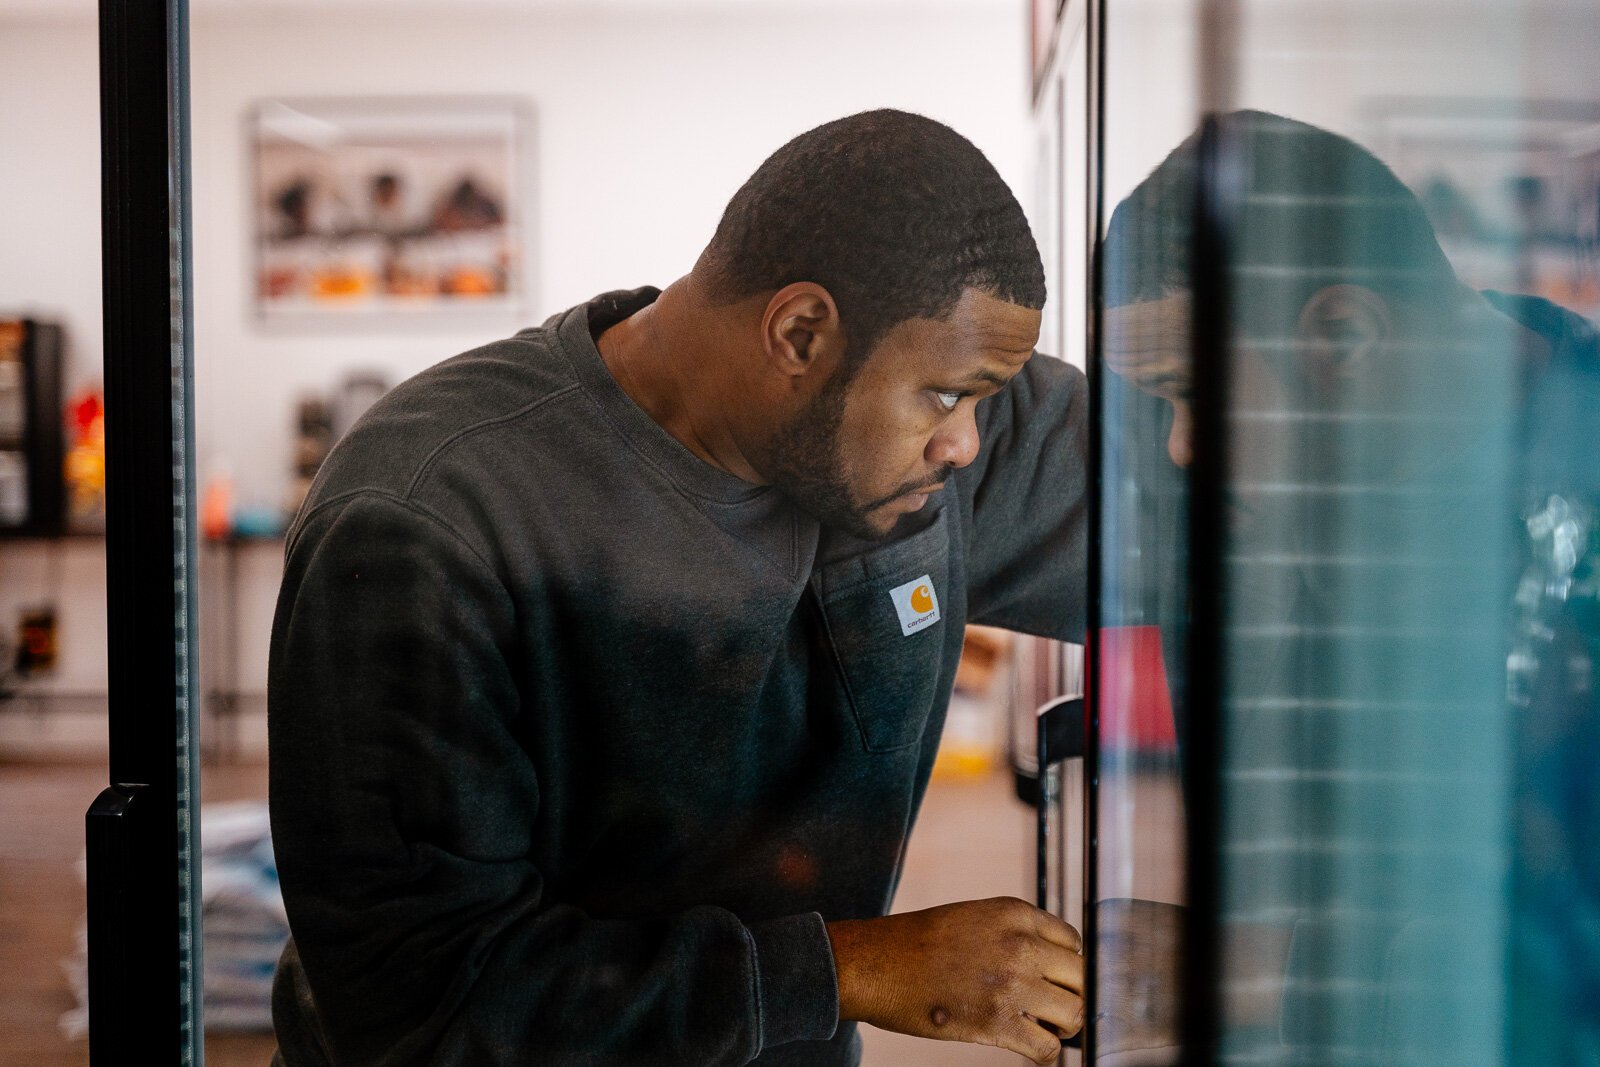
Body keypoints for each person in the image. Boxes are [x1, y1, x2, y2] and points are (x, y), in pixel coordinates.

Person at [267, 109, 1091, 1067]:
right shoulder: (430, 520)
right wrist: (845, 970)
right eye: (948, 399)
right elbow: (425, 1012)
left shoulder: (930, 437)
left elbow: (1219, 490)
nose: (967, 445)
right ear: (799, 332)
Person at [1098, 110, 1600, 1062]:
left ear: (1347, 337)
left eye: (1190, 392)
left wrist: (1270, 970)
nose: (1177, 446)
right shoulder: (1259, 486)